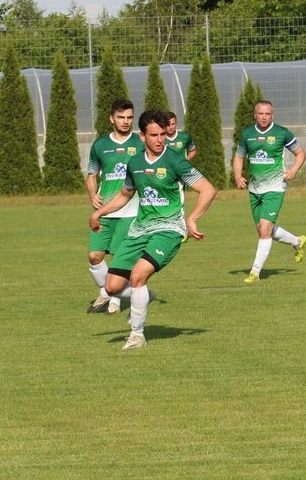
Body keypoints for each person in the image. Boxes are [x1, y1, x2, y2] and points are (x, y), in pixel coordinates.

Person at [89, 110, 218, 350]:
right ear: (142, 136)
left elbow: (208, 190)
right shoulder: (135, 162)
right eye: (154, 135)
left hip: (169, 229)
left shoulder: (174, 160)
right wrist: (99, 212)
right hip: (140, 230)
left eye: (163, 134)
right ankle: (145, 295)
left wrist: (192, 219)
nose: (160, 140)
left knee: (138, 276)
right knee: (111, 287)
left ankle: (137, 335)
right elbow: (125, 195)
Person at [234, 100, 306, 283]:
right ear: (255, 115)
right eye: (261, 114)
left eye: (267, 114)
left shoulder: (281, 133)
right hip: (254, 188)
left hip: (275, 187)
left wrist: (293, 169)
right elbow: (239, 156)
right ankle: (297, 242)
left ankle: (254, 272)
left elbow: (300, 153)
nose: (264, 117)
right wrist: (237, 176)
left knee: (265, 228)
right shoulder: (247, 134)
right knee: (263, 229)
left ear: (272, 115)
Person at [85, 100, 143, 313]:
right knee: (94, 256)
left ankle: (115, 303)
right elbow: (91, 175)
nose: (126, 121)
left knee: (119, 258)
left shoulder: (140, 143)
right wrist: (92, 194)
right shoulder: (100, 145)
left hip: (131, 211)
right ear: (111, 118)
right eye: (121, 117)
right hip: (104, 210)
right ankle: (105, 292)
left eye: (129, 117)